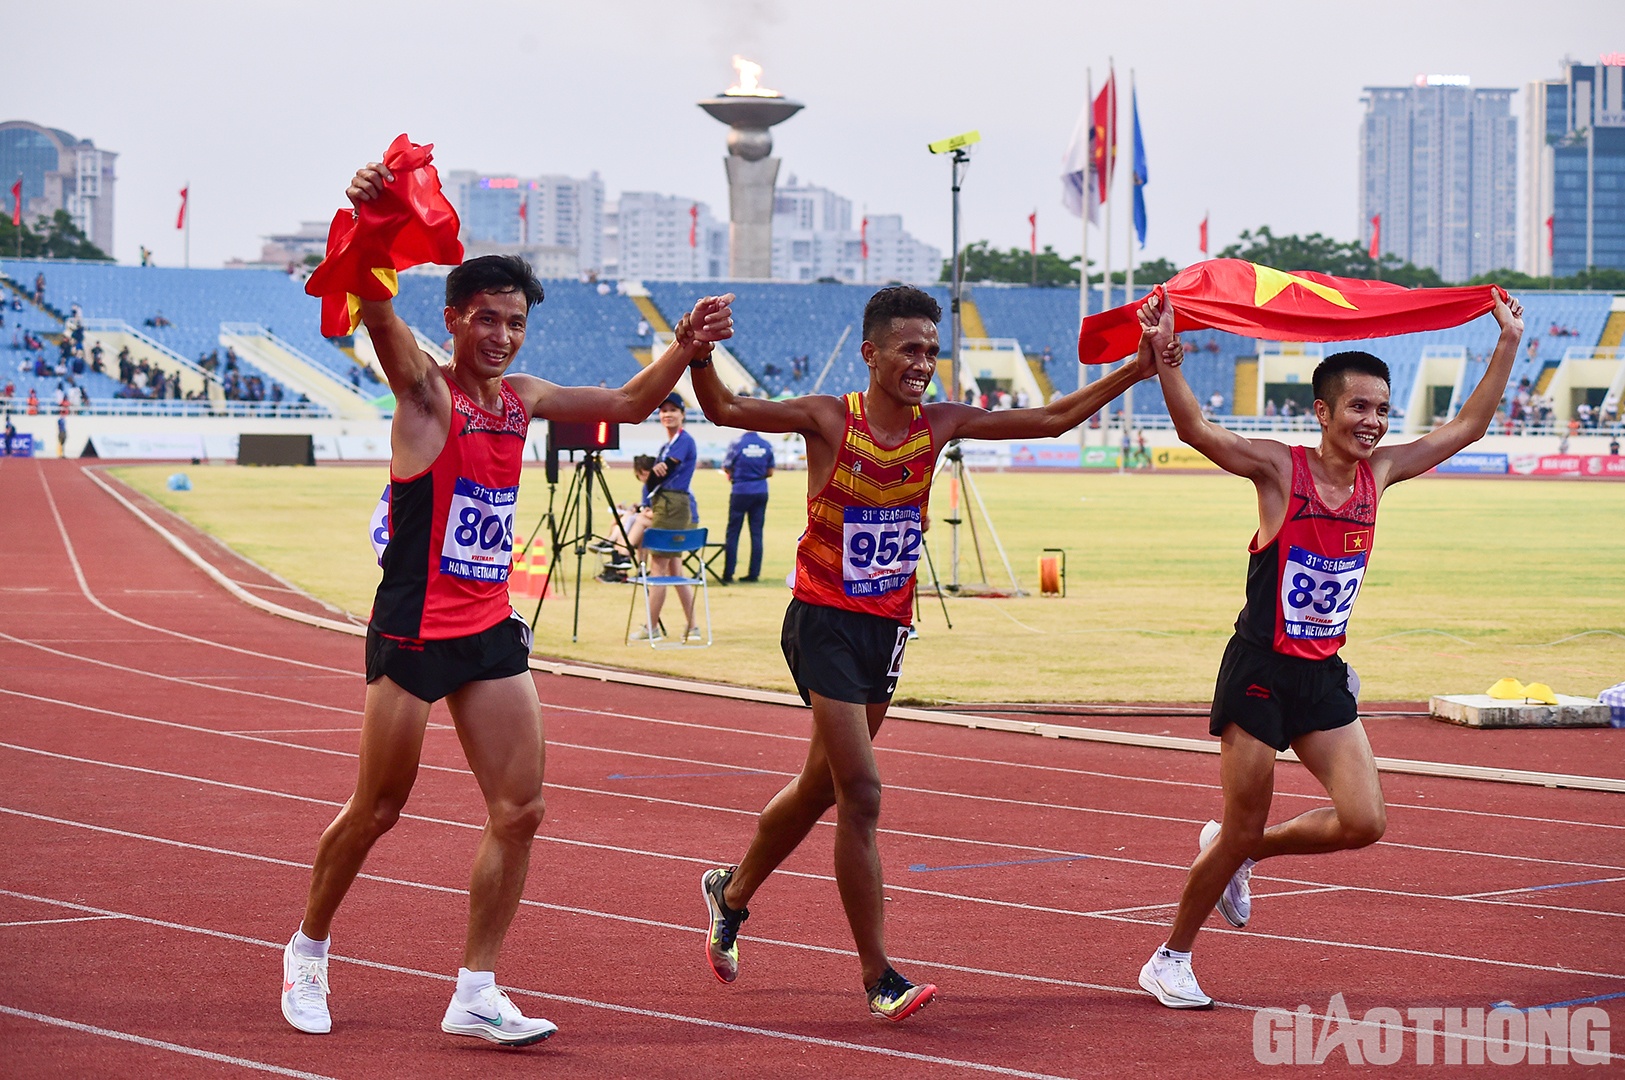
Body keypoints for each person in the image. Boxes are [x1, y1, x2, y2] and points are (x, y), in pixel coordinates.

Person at [279, 158, 734, 1045]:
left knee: (521, 810)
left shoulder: (522, 401)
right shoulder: (423, 389)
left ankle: (475, 989)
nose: (500, 335)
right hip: (412, 630)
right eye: (485, 319)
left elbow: (632, 400)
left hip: (488, 626)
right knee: (377, 808)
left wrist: (685, 345)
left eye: (514, 323)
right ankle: (308, 948)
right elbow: (376, 305)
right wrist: (373, 214)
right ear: (452, 320)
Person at [688, 284, 1159, 1021]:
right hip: (822, 622)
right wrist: (702, 353)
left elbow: (1054, 417)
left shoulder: (940, 424)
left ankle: (733, 890)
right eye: (909, 349)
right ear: (871, 353)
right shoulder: (825, 417)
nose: (922, 363)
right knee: (863, 794)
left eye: (931, 351)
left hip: (886, 628)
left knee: (822, 788)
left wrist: (1135, 370)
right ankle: (879, 976)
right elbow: (722, 411)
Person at [1136, 291, 1524, 1010]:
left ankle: (1240, 851)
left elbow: (1467, 426)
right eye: (1357, 408)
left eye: (1381, 409)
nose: (1372, 422)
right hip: (1259, 672)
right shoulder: (1280, 471)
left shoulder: (1381, 475)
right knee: (1243, 818)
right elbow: (1193, 428)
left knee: (1362, 822)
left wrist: (1505, 340)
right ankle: (1170, 957)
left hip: (1322, 677)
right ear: (1321, 412)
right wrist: (1165, 359)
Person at [631, 392, 700, 641]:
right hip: (668, 504)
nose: (667, 415)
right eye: (663, 411)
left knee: (658, 567)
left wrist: (655, 475)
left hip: (673, 505)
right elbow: (654, 478)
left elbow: (660, 474)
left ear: (683, 415)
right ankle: (692, 626)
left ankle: (652, 628)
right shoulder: (667, 445)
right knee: (674, 568)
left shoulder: (683, 441)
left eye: (673, 410)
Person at [720, 428, 775, 583]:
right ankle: (754, 573)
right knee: (756, 533)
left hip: (740, 490)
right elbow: (770, 471)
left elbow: (727, 466)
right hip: (760, 489)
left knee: (733, 532)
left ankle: (728, 573)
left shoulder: (737, 443)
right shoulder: (765, 444)